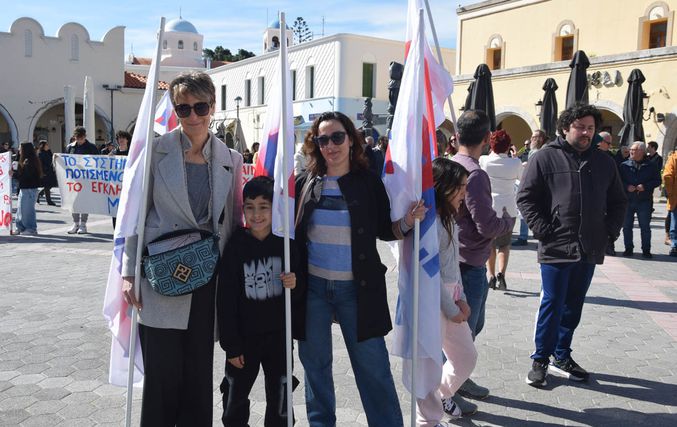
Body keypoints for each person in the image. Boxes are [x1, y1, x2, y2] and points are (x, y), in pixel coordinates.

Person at [121, 71, 243, 426]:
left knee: (198, 375)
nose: (192, 115)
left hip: (207, 278)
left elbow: (233, 220)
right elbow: (133, 217)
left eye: (200, 106)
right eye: (183, 108)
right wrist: (128, 272)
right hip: (161, 275)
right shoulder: (154, 153)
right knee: (162, 376)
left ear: (213, 107)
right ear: (175, 111)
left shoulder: (230, 159)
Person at [294, 111, 425, 427]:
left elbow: (384, 230)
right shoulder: (306, 182)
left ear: (351, 140)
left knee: (373, 368)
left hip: (358, 290)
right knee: (315, 367)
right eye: (323, 140)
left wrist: (409, 221)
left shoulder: (368, 182)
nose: (330, 145)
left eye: (337, 137)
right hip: (313, 290)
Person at [517, 104, 627, 388]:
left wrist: (609, 233)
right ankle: (540, 359)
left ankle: (562, 354)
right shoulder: (545, 157)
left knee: (574, 304)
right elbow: (526, 198)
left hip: (589, 246)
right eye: (580, 127)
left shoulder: (604, 162)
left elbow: (618, 201)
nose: (586, 133)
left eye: (591, 128)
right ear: (565, 128)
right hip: (556, 246)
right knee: (553, 303)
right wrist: (543, 230)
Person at [217, 176, 298, 426]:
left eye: (264, 207)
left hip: (279, 337)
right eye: (249, 207)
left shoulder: (286, 245)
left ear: (276, 208)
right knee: (234, 397)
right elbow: (226, 299)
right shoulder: (236, 246)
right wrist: (231, 345)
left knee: (281, 398)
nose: (256, 214)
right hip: (244, 340)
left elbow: (301, 287)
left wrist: (295, 282)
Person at [450, 110, 515, 409]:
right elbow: (486, 225)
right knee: (464, 332)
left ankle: (458, 379)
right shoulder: (474, 174)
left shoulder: (452, 163)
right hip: (468, 261)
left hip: (459, 257)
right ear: (487, 138)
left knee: (463, 330)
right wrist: (507, 222)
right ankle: (447, 390)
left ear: (457, 135)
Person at [416, 158, 478, 426]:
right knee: (428, 367)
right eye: (460, 187)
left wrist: (461, 299)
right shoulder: (429, 223)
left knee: (466, 357)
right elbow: (430, 273)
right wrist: (451, 309)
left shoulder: (449, 219)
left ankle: (443, 395)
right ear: (443, 186)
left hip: (452, 298)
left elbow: (453, 266)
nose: (464, 193)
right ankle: (426, 421)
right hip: (433, 303)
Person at [479, 130, 523, 291]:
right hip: (508, 208)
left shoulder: (484, 160)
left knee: (490, 243)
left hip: (490, 207)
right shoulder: (515, 163)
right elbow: (522, 179)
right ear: (508, 146)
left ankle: (490, 275)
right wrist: (514, 157)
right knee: (504, 244)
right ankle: (501, 274)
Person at [619, 141, 661, 258]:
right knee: (627, 226)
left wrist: (645, 186)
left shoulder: (651, 165)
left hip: (644, 201)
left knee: (645, 227)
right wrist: (627, 186)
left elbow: (658, 180)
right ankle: (628, 248)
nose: (631, 152)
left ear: (641, 152)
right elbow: (618, 181)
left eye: (634, 150)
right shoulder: (624, 165)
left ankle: (646, 250)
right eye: (631, 150)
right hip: (628, 200)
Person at [65, 126, 98, 234]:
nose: (79, 140)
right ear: (74, 137)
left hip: (87, 179)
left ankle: (83, 224)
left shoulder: (92, 147)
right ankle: (75, 223)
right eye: (77, 137)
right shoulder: (70, 147)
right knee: (73, 202)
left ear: (85, 136)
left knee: (84, 202)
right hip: (73, 180)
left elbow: (98, 162)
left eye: (81, 137)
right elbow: (65, 160)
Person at [13, 142, 43, 235]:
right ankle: (20, 227)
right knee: (20, 209)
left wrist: (14, 174)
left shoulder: (29, 161)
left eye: (20, 148)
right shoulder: (26, 160)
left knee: (27, 210)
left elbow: (26, 176)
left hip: (29, 188)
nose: (19, 150)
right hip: (25, 188)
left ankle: (31, 228)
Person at [663, 149, 677, 257]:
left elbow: (667, 176)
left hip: (675, 197)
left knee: (675, 223)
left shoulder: (674, 158)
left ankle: (675, 246)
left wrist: (670, 192)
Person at [36, 140, 57, 206]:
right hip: (45, 172)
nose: (48, 146)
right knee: (47, 186)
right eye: (46, 145)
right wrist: (43, 172)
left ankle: (39, 194)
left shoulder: (49, 152)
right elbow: (40, 164)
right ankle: (49, 201)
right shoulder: (40, 153)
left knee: (51, 184)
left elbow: (52, 159)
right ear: (43, 146)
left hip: (51, 171)